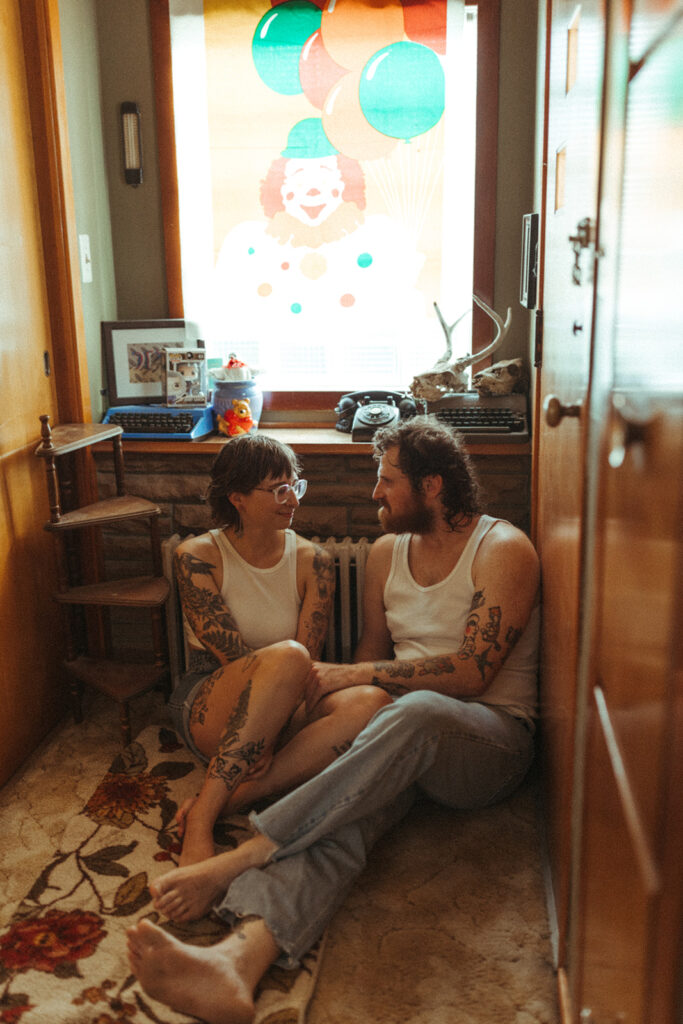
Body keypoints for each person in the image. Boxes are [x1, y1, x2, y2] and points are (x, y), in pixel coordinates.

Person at [127, 416, 540, 1024]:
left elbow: (475, 674)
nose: (374, 491)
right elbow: (370, 658)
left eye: (386, 479)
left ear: (431, 486)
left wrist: (354, 681)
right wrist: (335, 713)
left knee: (410, 712)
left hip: (488, 741)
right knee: (343, 814)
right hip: (403, 734)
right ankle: (236, 962)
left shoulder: (503, 548)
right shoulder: (383, 552)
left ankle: (246, 842)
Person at [167, 432, 391, 866]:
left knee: (374, 701)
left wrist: (272, 724)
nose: (293, 500)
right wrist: (265, 726)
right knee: (288, 655)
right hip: (210, 695)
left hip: (287, 699)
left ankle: (241, 794)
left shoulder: (314, 561)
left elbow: (309, 660)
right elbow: (233, 657)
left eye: (295, 486)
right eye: (278, 490)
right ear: (238, 498)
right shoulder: (196, 556)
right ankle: (202, 821)